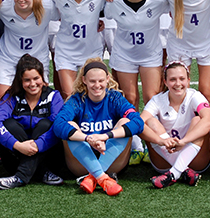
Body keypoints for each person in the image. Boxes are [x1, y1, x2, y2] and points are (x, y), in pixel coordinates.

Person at [104, 0, 169, 164]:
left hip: (150, 55)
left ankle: (156, 144)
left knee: (152, 98)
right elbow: (99, 14)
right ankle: (134, 146)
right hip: (124, 55)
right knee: (130, 98)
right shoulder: (113, 2)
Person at [52, 58, 144, 196]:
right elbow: (58, 125)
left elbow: (138, 123)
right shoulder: (76, 100)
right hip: (81, 163)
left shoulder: (115, 98)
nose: (97, 85)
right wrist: (88, 138)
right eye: (92, 81)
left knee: (125, 123)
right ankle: (102, 178)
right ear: (84, 80)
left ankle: (93, 178)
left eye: (101, 81)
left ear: (107, 79)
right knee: (69, 126)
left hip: (111, 159)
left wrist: (105, 136)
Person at [0, 54, 65, 189]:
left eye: (36, 78)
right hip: (15, 158)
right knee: (9, 125)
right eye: (27, 80)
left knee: (45, 125)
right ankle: (41, 172)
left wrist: (38, 145)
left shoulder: (53, 96)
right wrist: (18, 146)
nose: (32, 84)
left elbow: (58, 127)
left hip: (50, 158)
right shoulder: (11, 97)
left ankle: (20, 177)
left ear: (43, 78)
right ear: (20, 81)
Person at [140, 61, 210, 188]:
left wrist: (184, 141)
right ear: (165, 82)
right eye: (172, 79)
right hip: (165, 158)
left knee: (198, 120)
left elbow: (208, 120)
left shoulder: (195, 96)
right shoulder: (157, 100)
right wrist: (161, 141)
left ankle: (174, 173)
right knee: (150, 122)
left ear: (189, 80)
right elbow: (139, 123)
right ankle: (181, 171)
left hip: (196, 161)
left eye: (182, 79)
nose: (178, 84)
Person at [0, 0, 58, 105]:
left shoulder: (47, 7)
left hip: (37, 59)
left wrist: (98, 21)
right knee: (3, 102)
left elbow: (68, 15)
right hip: (8, 58)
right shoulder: (4, 8)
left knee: (41, 103)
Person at [51, 0, 106, 99]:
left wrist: (101, 22)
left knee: (92, 95)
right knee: (70, 96)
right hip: (66, 51)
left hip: (91, 51)